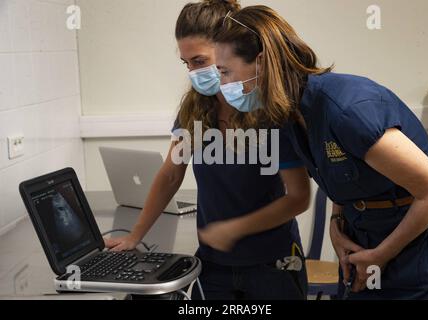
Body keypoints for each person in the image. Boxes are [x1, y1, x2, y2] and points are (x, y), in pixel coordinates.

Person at [213, 5, 428, 299]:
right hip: (360, 248)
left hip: (417, 254)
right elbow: (342, 177)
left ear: (261, 62)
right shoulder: (289, 115)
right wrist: (337, 225)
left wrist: (382, 255)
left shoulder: (348, 110)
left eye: (225, 72)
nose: (222, 86)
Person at [105, 0, 313, 300]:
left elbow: (298, 198)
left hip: (273, 262)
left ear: (228, 48)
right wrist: (135, 235)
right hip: (214, 264)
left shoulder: (270, 110)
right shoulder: (195, 109)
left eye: (200, 61)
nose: (192, 72)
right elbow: (171, 174)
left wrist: (235, 229)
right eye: (186, 63)